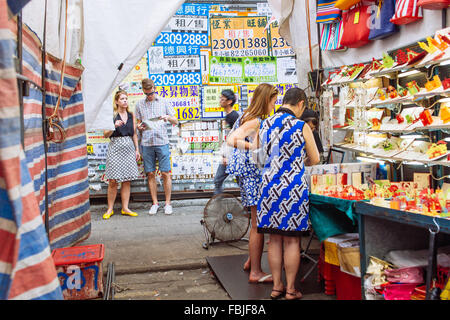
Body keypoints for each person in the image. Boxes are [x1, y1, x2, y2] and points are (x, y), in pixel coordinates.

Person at [256, 87, 320, 300]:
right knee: (292, 241)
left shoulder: (264, 124)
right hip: (292, 187)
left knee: (274, 239)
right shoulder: (301, 126)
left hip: (268, 187)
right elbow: (316, 158)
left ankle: (276, 287)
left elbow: (258, 157)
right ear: (301, 103)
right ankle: (291, 289)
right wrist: (299, 162)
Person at [226, 83, 279, 284]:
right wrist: (255, 146)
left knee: (256, 220)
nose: (274, 105)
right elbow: (232, 139)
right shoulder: (254, 120)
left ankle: (251, 261)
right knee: (258, 223)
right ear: (266, 100)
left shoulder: (246, 115)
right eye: (273, 101)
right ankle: (256, 272)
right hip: (252, 174)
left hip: (247, 173)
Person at [136, 78, 178, 215]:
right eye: (147, 94)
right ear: (143, 91)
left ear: (155, 88)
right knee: (150, 173)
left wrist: (167, 117)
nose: (150, 96)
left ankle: (168, 203)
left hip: (162, 142)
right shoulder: (139, 104)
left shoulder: (164, 102)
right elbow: (138, 124)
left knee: (165, 173)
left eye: (151, 93)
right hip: (147, 143)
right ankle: (154, 203)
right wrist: (139, 126)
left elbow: (175, 121)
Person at [102, 90, 141, 219]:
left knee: (127, 180)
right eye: (122, 98)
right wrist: (113, 126)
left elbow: (134, 133)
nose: (125, 100)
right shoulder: (112, 115)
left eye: (126, 98)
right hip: (115, 148)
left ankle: (125, 208)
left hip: (128, 148)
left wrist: (137, 150)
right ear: (117, 101)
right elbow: (105, 135)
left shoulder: (131, 115)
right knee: (113, 180)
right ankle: (110, 209)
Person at [214, 89, 239, 195]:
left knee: (217, 180)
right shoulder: (229, 116)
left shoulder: (233, 116)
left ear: (229, 101)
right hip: (230, 154)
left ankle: (218, 206)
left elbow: (237, 138)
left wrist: (227, 156)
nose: (220, 100)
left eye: (222, 99)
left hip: (232, 155)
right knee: (240, 180)